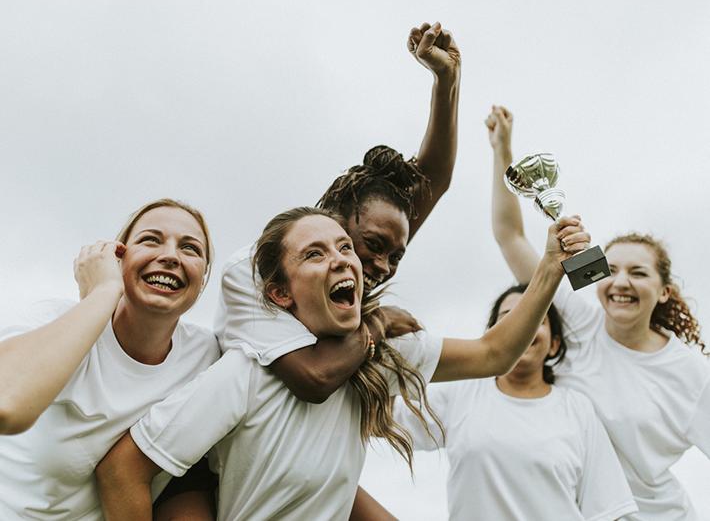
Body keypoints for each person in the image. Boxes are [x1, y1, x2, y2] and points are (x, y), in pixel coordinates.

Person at [96, 205, 588, 520]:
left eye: (344, 248)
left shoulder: (385, 358)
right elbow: (122, 470)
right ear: (280, 293)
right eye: (314, 253)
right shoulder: (248, 373)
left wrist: (549, 268)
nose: (341, 260)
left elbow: (494, 352)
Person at [215, 21, 461, 404]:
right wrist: (379, 321)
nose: (382, 266)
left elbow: (433, 181)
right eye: (372, 246)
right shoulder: (250, 270)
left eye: (396, 256)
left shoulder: (360, 266)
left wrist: (446, 79)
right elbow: (315, 377)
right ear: (332, 219)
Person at [487, 105, 710, 520]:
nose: (622, 282)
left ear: (663, 293)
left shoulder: (690, 374)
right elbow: (509, 236)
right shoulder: (577, 320)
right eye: (614, 269)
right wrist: (503, 153)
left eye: (639, 273)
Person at [0, 199, 220, 520]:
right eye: (151, 240)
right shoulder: (51, 319)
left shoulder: (206, 357)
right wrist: (104, 291)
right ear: (118, 257)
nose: (171, 256)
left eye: (190, 249)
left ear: (202, 280)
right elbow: (7, 404)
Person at [392, 284, 637, 520]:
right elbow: (378, 415)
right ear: (492, 335)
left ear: (554, 344)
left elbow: (607, 510)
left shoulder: (577, 408)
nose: (523, 327)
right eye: (509, 318)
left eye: (537, 319)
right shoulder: (460, 393)